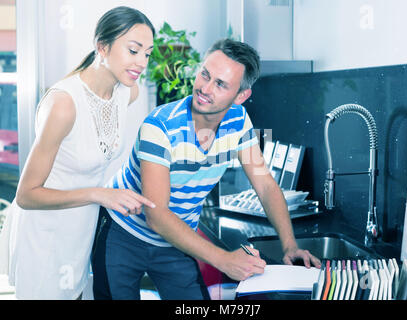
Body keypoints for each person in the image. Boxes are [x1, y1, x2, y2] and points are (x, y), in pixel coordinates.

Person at [92, 38, 321, 300]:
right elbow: (156, 215)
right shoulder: (160, 126)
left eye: (220, 84)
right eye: (205, 75)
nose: (205, 88)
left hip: (175, 240)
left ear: (241, 97)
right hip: (123, 233)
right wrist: (224, 260)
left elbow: (266, 185)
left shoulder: (238, 121)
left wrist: (290, 245)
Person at [0, 6, 156, 300]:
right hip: (44, 236)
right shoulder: (64, 104)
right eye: (133, 50)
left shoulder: (127, 92)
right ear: (102, 46)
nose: (142, 62)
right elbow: (26, 195)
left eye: (147, 53)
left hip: (80, 233)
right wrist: (99, 194)